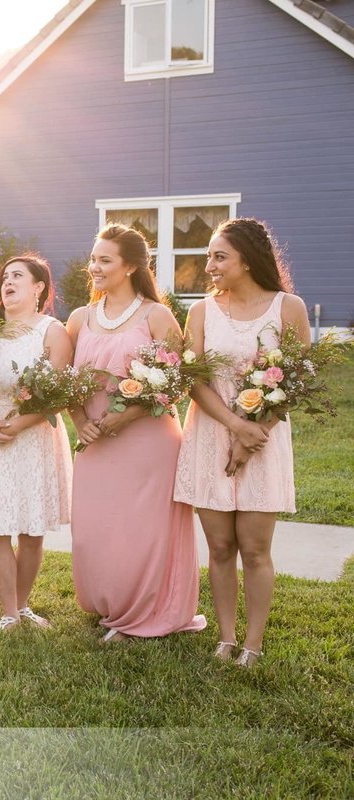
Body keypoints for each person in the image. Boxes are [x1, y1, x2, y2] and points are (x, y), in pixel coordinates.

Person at [174, 218, 309, 667]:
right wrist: (235, 425)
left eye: (218, 256)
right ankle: (226, 636)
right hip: (211, 433)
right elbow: (192, 381)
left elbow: (293, 380)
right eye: (209, 256)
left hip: (264, 439)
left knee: (254, 549)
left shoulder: (289, 308)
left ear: (247, 260)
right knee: (218, 548)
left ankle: (253, 642)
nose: (209, 266)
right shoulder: (200, 312)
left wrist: (255, 432)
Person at [67, 224, 206, 642]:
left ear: (129, 266)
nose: (94, 267)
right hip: (94, 440)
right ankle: (111, 602)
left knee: (140, 532)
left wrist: (125, 417)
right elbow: (64, 382)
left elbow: (177, 381)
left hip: (148, 443)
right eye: (93, 259)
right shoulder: (79, 318)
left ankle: (143, 615)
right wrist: (79, 421)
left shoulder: (157, 316)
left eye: (104, 260)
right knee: (96, 530)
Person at [0, 255, 73, 631]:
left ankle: (23, 606)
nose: (8, 282)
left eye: (18, 276)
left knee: (31, 530)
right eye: (4, 276)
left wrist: (18, 424)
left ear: (39, 287)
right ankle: (8, 612)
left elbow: (58, 396)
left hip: (32, 438)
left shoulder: (52, 331)